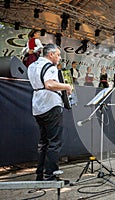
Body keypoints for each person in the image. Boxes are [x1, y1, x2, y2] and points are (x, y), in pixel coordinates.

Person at [27, 43, 72, 181]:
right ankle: (50, 176)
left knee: (43, 142)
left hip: (38, 106)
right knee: (54, 143)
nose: (59, 58)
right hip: (51, 106)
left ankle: (40, 175)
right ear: (50, 54)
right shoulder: (50, 67)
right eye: (58, 55)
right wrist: (66, 86)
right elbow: (49, 84)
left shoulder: (32, 66)